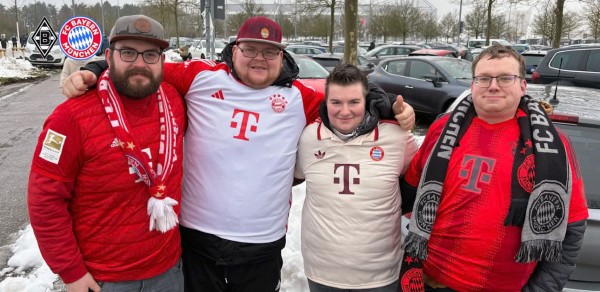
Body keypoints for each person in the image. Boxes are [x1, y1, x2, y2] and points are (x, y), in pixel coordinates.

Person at [61, 16, 415, 291]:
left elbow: (345, 103)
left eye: (270, 51)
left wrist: (383, 105)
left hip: (261, 243)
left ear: (281, 56)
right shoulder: (200, 77)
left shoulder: (299, 99)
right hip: (197, 237)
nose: (259, 58)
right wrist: (94, 68)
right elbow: (143, 66)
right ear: (234, 51)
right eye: (250, 49)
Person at [400, 44, 588, 291]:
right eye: (484, 78)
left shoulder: (554, 145)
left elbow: (572, 230)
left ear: (522, 85)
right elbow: (408, 191)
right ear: (472, 84)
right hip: (429, 281)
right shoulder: (442, 128)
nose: (493, 85)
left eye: (505, 78)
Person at [27, 15, 186, 292]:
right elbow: (45, 202)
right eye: (128, 52)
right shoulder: (69, 117)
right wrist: (71, 272)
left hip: (169, 269)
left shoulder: (174, 100)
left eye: (150, 54)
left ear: (162, 59)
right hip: (104, 279)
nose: (139, 63)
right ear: (109, 56)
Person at [294, 64, 418, 291]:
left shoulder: (397, 137)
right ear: (326, 101)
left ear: (367, 100)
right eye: (336, 102)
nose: (344, 111)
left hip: (380, 274)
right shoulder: (309, 137)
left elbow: (419, 179)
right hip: (322, 271)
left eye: (354, 102)